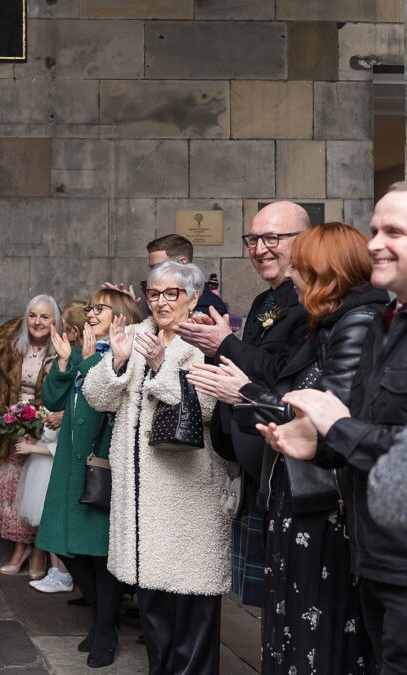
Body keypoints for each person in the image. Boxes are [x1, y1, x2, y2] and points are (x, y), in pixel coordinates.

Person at [189, 223, 383, 674]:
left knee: (319, 631)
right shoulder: (322, 320)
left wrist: (248, 393)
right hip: (291, 490)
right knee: (288, 623)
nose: (293, 279)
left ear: (327, 271)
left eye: (301, 269)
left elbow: (327, 417)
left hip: (323, 500)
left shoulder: (356, 321)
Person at [259, 184, 407, 674]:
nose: (374, 245)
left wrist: (336, 428)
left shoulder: (362, 320)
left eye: (395, 232)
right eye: (374, 231)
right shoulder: (388, 324)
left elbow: (365, 432)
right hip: (376, 555)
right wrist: (315, 442)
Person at [83, 261, 230, 675]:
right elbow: (98, 398)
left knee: (191, 606)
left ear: (193, 297)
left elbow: (207, 408)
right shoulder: (135, 334)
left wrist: (164, 367)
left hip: (187, 497)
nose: (161, 302)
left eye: (172, 294)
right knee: (155, 609)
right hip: (140, 499)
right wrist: (116, 361)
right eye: (154, 294)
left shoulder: (205, 343)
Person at [175, 201, 311, 609]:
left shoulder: (308, 304)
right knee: (268, 600)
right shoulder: (263, 303)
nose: (260, 248)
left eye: (273, 238)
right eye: (253, 239)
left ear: (304, 241)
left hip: (286, 466)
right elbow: (244, 370)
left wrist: (226, 343)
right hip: (252, 464)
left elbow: (285, 375)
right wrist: (214, 346)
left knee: (290, 599)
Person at [36, 289, 141, 668]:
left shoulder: (120, 353)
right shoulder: (84, 353)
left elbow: (101, 395)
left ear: (120, 317)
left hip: (101, 459)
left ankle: (104, 629)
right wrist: (64, 364)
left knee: (98, 552)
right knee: (66, 545)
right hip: (71, 459)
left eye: (100, 308)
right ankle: (103, 621)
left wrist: (80, 360)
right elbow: (51, 400)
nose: (91, 312)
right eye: (91, 307)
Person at [0, 297, 66, 584]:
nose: (38, 322)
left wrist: (42, 421)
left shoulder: (62, 350)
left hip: (45, 428)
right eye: (32, 316)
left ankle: (39, 552)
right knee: (14, 492)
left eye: (45, 317)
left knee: (37, 493)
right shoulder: (11, 344)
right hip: (11, 423)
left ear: (55, 321)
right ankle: (20, 550)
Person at [105, 234, 228, 318]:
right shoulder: (158, 297)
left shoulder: (210, 306)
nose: (154, 273)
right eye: (152, 268)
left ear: (183, 263)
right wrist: (127, 308)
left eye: (159, 266)